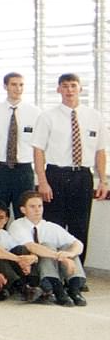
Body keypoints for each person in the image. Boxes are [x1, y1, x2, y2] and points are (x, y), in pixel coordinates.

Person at [32, 73, 107, 262]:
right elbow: (38, 150)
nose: (69, 90)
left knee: (80, 226)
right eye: (65, 86)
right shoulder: (48, 117)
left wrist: (103, 181)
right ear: (58, 89)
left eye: (73, 86)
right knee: (53, 226)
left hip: (82, 176)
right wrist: (42, 181)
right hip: (55, 176)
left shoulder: (94, 116)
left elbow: (100, 151)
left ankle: (76, 275)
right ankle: (54, 274)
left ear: (80, 88)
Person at [3, 191, 88, 307]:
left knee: (68, 247)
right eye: (32, 206)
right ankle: (58, 291)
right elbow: (32, 246)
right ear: (23, 210)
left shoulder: (49, 226)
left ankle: (74, 290)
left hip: (49, 268)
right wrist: (61, 257)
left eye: (40, 206)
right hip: (28, 270)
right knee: (46, 245)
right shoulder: (17, 225)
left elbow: (78, 243)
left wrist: (68, 254)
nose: (37, 210)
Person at [0, 73, 39, 214]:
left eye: (21, 85)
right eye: (13, 84)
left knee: (24, 214)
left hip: (23, 171)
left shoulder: (35, 113)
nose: (18, 88)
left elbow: (39, 145)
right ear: (5, 86)